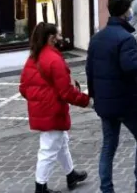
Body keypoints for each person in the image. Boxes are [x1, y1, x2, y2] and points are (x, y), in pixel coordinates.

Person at [87, 0, 137, 193]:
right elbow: (130, 66)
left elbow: (89, 71)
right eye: (129, 10)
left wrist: (96, 98)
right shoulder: (126, 37)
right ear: (125, 12)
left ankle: (106, 189)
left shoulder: (96, 38)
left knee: (108, 147)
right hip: (127, 101)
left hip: (105, 103)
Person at [20, 22, 89, 193]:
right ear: (51, 38)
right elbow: (66, 92)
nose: (60, 38)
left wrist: (37, 101)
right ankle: (40, 186)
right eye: (58, 35)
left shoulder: (33, 57)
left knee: (61, 142)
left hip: (43, 109)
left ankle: (71, 174)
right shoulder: (53, 59)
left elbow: (23, 87)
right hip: (52, 110)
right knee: (49, 149)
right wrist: (87, 101)